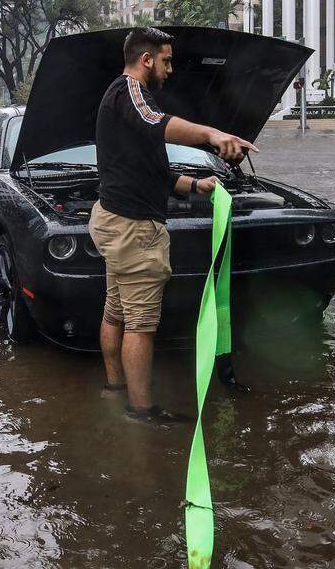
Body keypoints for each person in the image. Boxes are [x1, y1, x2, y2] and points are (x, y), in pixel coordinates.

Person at [89, 27, 256, 424]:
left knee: (115, 311)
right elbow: (159, 122)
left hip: (115, 222)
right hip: (133, 230)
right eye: (166, 61)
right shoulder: (130, 93)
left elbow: (153, 172)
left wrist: (196, 184)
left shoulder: (124, 101)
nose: (170, 69)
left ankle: (114, 389)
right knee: (141, 325)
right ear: (146, 59)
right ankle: (141, 411)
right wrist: (212, 134)